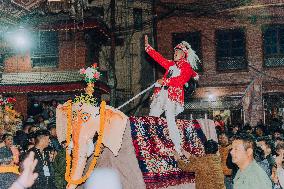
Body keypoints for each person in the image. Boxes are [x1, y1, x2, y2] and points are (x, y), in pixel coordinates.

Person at [144, 35, 199, 156]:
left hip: (173, 97)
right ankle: (149, 140)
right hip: (162, 93)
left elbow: (180, 80)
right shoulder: (170, 65)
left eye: (178, 51)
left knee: (170, 118)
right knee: (153, 115)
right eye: (175, 51)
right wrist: (148, 48)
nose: (175, 53)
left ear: (184, 54)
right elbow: (159, 58)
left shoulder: (187, 67)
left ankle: (177, 146)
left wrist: (165, 81)